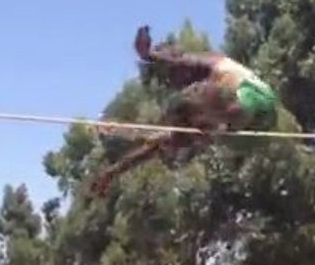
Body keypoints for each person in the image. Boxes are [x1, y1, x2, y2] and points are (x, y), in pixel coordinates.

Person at [90, 25, 280, 192]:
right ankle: (210, 129)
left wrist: (149, 56)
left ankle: (214, 127)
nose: (169, 82)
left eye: (169, 76)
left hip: (256, 102)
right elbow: (154, 148)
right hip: (254, 134)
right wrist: (114, 171)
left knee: (183, 105)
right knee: (171, 135)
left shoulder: (208, 63)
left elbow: (180, 60)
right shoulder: (199, 103)